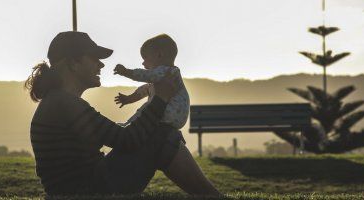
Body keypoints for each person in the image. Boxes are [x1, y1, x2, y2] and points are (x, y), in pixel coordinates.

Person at [25, 31, 220, 196]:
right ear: (73, 63)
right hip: (88, 191)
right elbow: (127, 139)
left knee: (161, 133)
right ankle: (213, 197)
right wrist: (161, 98)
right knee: (163, 134)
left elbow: (116, 136)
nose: (100, 65)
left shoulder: (59, 102)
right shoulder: (64, 104)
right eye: (94, 58)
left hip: (83, 187)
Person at [113, 34, 189, 134]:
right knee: (148, 108)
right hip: (176, 117)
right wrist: (129, 99)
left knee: (146, 109)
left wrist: (126, 72)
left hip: (169, 113)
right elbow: (146, 89)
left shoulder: (166, 71)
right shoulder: (167, 75)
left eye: (145, 58)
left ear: (159, 55)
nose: (143, 63)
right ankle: (128, 125)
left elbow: (145, 75)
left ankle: (128, 126)